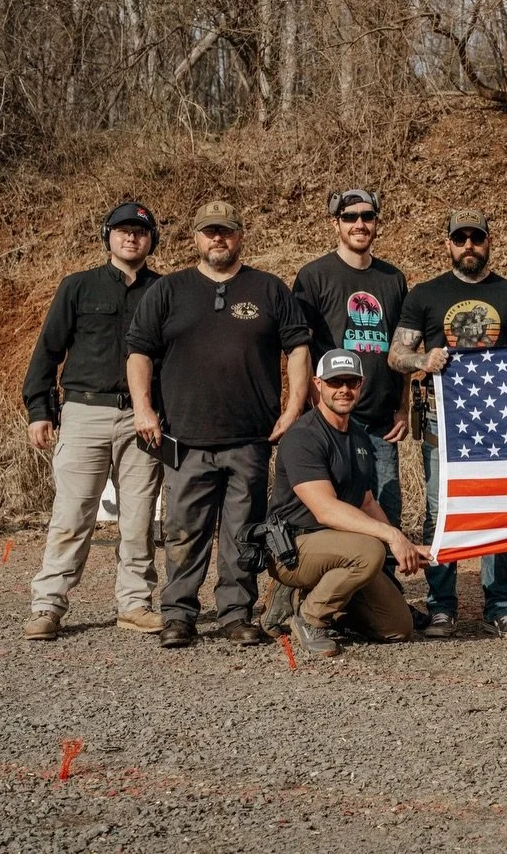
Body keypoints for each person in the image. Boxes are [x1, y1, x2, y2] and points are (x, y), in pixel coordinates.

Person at [127, 200, 310, 649]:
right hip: (185, 438)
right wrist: (143, 409)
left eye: (226, 231)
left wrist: (293, 409)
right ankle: (179, 614)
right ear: (195, 237)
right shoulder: (168, 290)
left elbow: (300, 350)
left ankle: (235, 612)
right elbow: (139, 354)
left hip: (250, 438)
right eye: (209, 231)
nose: (218, 239)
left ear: (240, 235)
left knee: (241, 532)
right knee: (183, 531)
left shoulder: (268, 289)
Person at [388, 208, 507, 641]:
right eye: (461, 238)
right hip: (442, 421)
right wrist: (424, 360)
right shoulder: (425, 294)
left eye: (476, 238)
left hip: (500, 423)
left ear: (489, 242)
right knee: (440, 512)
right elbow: (396, 356)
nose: (468, 245)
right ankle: (442, 608)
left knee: (499, 511)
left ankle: (502, 608)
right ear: (449, 244)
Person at [21, 201, 165, 640]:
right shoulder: (77, 287)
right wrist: (39, 409)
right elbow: (48, 350)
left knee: (139, 519)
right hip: (84, 412)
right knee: (72, 515)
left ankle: (135, 604)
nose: (131, 237)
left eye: (140, 231)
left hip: (143, 417)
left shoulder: (166, 290)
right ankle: (47, 606)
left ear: (150, 240)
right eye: (122, 230)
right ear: (108, 236)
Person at [267, 350, 424, 656]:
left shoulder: (359, 439)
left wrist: (402, 540)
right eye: (334, 382)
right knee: (369, 550)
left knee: (397, 627)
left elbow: (366, 501)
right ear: (317, 384)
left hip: (339, 548)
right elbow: (324, 509)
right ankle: (310, 617)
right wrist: (389, 536)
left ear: (361, 385)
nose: (343, 390)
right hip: (294, 547)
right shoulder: (304, 437)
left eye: (351, 382)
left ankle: (333, 608)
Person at [292, 189, 410, 528]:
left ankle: (384, 580)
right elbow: (299, 348)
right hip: (334, 420)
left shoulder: (393, 278)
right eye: (349, 217)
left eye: (367, 216)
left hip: (381, 422)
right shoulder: (314, 276)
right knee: (340, 515)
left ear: (375, 222)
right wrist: (311, 404)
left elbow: (401, 350)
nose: (359, 223)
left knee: (387, 512)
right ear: (336, 224)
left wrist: (402, 407)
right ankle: (344, 581)